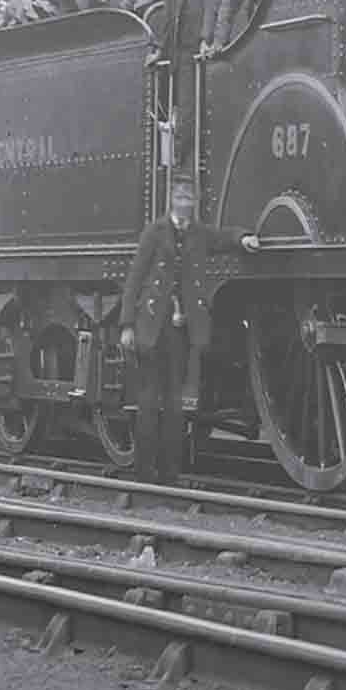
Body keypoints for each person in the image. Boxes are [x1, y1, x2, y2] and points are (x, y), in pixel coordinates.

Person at [118, 177, 256, 483]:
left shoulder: (199, 234)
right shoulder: (154, 233)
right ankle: (144, 472)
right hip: (151, 326)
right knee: (148, 400)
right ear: (172, 201)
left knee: (174, 403)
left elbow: (223, 238)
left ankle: (169, 473)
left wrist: (243, 238)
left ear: (194, 204)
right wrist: (127, 325)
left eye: (190, 200)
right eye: (180, 198)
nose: (185, 204)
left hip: (181, 330)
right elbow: (135, 278)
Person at [164, 0, 232, 162]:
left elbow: (212, 4)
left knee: (198, 111)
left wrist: (206, 38)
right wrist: (160, 48)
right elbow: (170, 8)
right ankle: (180, 161)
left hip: (205, 51)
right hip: (180, 51)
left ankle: (191, 164)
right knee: (183, 111)